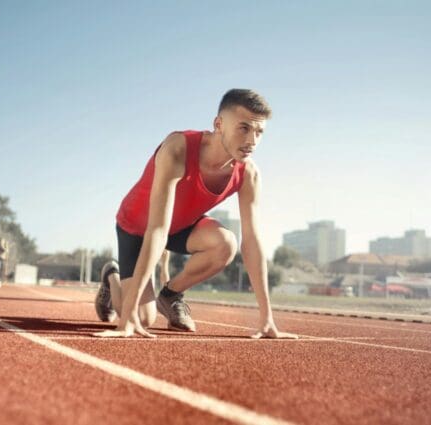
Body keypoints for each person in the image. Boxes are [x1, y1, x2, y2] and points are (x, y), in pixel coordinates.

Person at [94, 88, 297, 339]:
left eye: (259, 132)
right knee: (143, 318)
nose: (252, 141)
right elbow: (157, 228)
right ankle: (111, 277)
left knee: (226, 244)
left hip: (180, 227)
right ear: (219, 124)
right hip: (137, 227)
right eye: (244, 128)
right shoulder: (178, 148)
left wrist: (267, 318)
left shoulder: (248, 174)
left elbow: (252, 241)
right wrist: (128, 316)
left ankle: (170, 295)